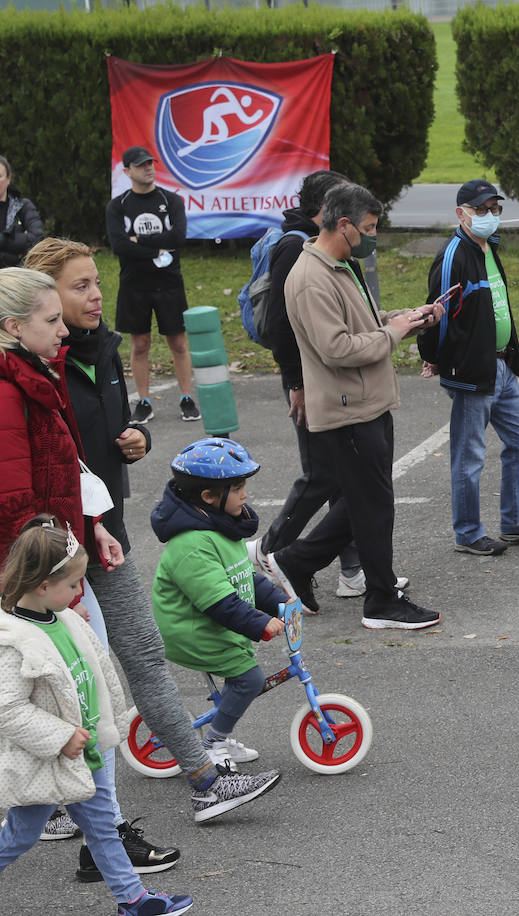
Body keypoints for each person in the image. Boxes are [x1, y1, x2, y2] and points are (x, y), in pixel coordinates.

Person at [24, 240, 283, 845]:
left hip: (104, 533)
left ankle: (203, 780)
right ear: (42, 300)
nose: (94, 296)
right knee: (58, 676)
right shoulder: (34, 368)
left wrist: (134, 434)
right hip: (47, 548)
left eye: (95, 283)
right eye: (79, 287)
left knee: (140, 654)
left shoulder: (104, 350)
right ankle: (55, 804)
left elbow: (104, 433)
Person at [255, 182, 442, 630]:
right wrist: (393, 335)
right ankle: (380, 601)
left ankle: (296, 562)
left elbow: (361, 325)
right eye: (369, 228)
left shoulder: (338, 266)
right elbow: (337, 348)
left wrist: (403, 320)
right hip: (347, 409)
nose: (373, 236)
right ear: (343, 225)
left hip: (366, 403)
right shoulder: (310, 276)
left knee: (364, 503)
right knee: (373, 506)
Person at [0, 515, 194, 916]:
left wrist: (100, 730)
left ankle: (134, 900)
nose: (79, 592)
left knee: (104, 828)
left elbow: (94, 675)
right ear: (42, 586)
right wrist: (59, 736)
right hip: (47, 761)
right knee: (20, 837)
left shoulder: (65, 620)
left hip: (83, 753)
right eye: (72, 585)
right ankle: (134, 899)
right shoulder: (14, 641)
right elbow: (8, 709)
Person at [419, 178, 519, 556]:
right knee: (469, 456)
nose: (488, 216)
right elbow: (437, 313)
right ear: (460, 213)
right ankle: (468, 533)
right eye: (480, 210)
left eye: (494, 209)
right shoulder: (453, 256)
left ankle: (517, 523)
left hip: (501, 366)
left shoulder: (488, 248)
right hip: (471, 371)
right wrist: (433, 356)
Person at [150, 438, 290, 769]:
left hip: (211, 622)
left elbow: (245, 579)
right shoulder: (192, 545)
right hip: (191, 629)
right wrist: (260, 623)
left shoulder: (219, 527)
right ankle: (213, 743)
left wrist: (280, 601)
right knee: (250, 679)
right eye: (238, 488)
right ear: (209, 497)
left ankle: (219, 734)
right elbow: (220, 602)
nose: (245, 495)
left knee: (241, 676)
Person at [104, 145, 198, 424]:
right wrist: (157, 249)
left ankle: (186, 397)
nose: (148, 168)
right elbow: (119, 246)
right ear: (127, 171)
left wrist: (141, 242)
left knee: (178, 343)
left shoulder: (171, 201)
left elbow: (178, 238)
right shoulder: (118, 206)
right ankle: (143, 401)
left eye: (150, 163)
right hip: (135, 284)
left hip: (169, 282)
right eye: (141, 164)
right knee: (140, 344)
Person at [0, 155, 45, 268]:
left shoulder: (23, 207)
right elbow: (27, 241)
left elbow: (38, 239)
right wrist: (15, 250)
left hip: (17, 275)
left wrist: (3, 241)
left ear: (9, 178)